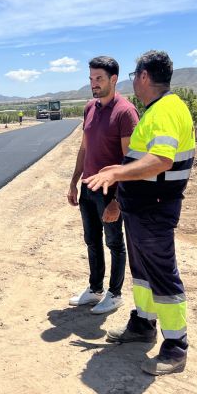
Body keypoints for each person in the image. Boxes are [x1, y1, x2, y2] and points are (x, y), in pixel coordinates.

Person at [83, 50, 195, 375]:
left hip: (155, 210)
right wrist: (121, 200)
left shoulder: (165, 111)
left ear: (144, 76)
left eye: (135, 76)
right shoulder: (155, 110)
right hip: (139, 209)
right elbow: (141, 161)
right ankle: (143, 325)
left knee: (162, 275)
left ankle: (176, 348)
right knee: (143, 274)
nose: (135, 82)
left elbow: (162, 160)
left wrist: (116, 173)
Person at [66, 56, 139, 314]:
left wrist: (117, 201)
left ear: (113, 79)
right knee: (92, 241)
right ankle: (95, 289)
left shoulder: (125, 112)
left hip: (110, 191)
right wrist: (75, 182)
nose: (93, 84)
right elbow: (84, 148)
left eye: (99, 79)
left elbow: (129, 161)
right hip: (88, 187)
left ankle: (115, 294)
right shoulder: (89, 108)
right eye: (91, 79)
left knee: (114, 243)